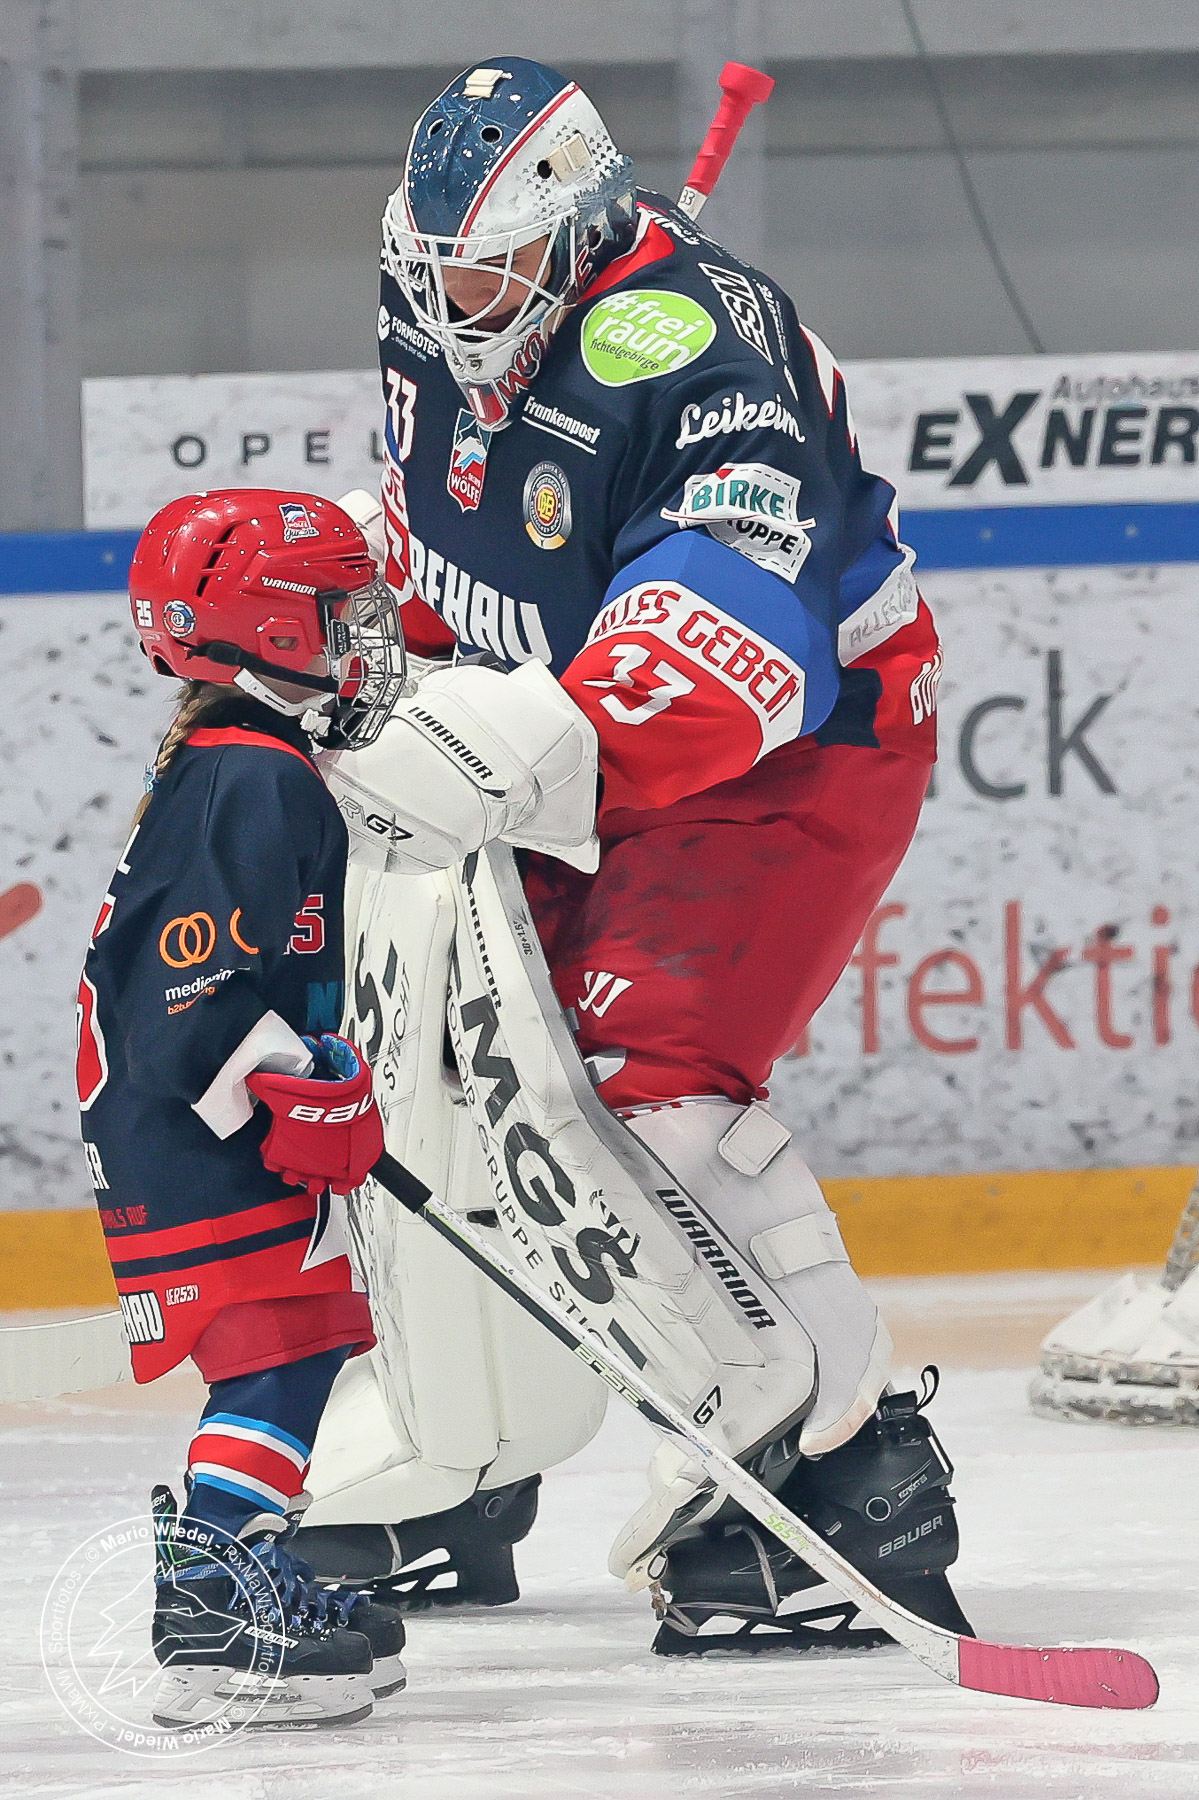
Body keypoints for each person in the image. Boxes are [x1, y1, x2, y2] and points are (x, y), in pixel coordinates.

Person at [299, 58, 974, 1655]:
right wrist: (347, 622)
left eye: (487, 275)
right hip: (568, 726)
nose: (454, 308)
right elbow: (441, 522)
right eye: (433, 273)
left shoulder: (694, 352)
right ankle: (463, 1444)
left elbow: (733, 646)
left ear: (577, 231)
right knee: (426, 1054)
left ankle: (844, 1470)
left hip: (791, 749)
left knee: (636, 1083)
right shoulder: (439, 308)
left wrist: (500, 747)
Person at [77, 489, 412, 1727]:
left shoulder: (235, 763)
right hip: (198, 1132)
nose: (358, 635)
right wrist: (303, 1089)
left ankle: (239, 1565)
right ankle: (218, 1594)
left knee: (293, 1342)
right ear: (270, 627)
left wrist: (308, 1074)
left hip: (178, 1127)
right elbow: (186, 994)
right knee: (279, 1348)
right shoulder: (256, 780)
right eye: (335, 611)